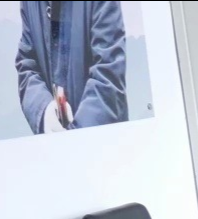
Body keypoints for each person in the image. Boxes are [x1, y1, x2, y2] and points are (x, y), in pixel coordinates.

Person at [17, 0, 128, 133]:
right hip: (55, 142)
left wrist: (74, 137)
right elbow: (27, 65)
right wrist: (44, 113)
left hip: (103, 140)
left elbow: (108, 75)